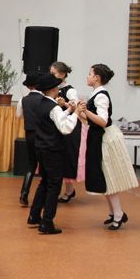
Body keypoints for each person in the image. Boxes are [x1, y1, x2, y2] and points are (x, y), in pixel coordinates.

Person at [79, 64, 139, 230]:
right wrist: (77, 109)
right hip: (98, 138)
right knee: (104, 176)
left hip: (105, 139)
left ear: (97, 77)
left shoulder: (101, 96)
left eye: (90, 74)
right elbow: (89, 120)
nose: (87, 76)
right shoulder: (96, 94)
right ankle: (114, 213)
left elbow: (103, 121)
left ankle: (118, 214)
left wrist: (85, 111)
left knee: (108, 176)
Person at [25, 73, 80, 234]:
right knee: (54, 185)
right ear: (54, 89)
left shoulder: (42, 104)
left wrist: (69, 109)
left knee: (45, 182)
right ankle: (47, 222)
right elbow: (65, 128)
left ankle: (34, 216)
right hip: (53, 150)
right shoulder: (53, 107)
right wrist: (76, 113)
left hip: (41, 148)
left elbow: (56, 118)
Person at [50, 61, 82, 203]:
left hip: (70, 127)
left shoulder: (70, 91)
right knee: (59, 158)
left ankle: (69, 190)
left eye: (53, 74)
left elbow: (76, 107)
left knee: (68, 157)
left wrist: (65, 104)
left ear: (62, 74)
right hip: (58, 126)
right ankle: (67, 189)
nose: (51, 76)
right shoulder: (52, 89)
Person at [16, 72, 43, 206]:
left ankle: (24, 193)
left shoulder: (23, 100)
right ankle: (43, 196)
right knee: (45, 165)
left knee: (31, 164)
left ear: (28, 86)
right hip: (44, 135)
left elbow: (18, 115)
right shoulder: (45, 100)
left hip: (30, 134)